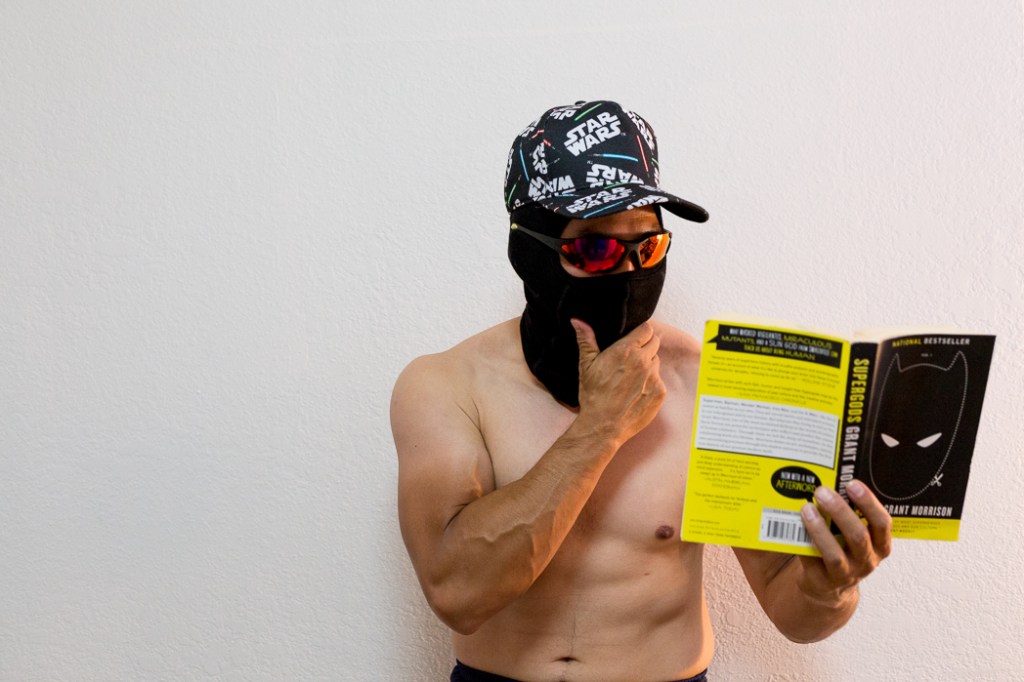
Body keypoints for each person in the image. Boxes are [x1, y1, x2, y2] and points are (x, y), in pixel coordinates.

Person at [391, 100, 892, 682]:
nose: (629, 276)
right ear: (528, 250)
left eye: (647, 247)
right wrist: (598, 428)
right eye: (595, 249)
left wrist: (831, 586)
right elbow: (457, 592)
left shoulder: (712, 383)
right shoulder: (448, 385)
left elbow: (793, 613)